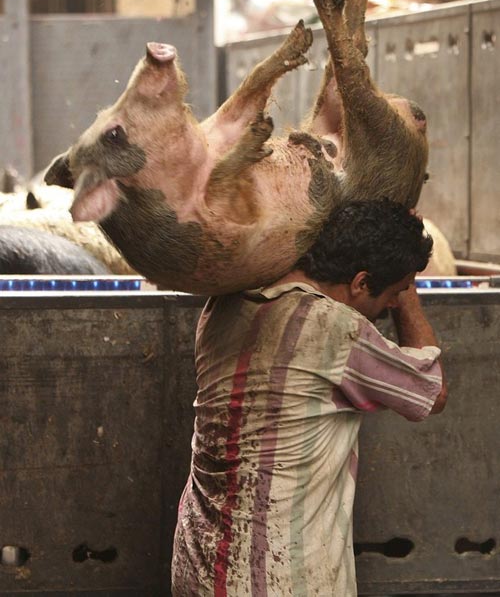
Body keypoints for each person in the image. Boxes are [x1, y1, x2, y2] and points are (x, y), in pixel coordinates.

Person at [171, 198, 447, 596]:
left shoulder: (225, 303)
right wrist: (408, 291)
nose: (390, 304)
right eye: (391, 292)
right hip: (276, 579)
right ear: (360, 282)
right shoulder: (335, 329)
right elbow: (431, 391)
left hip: (198, 562)